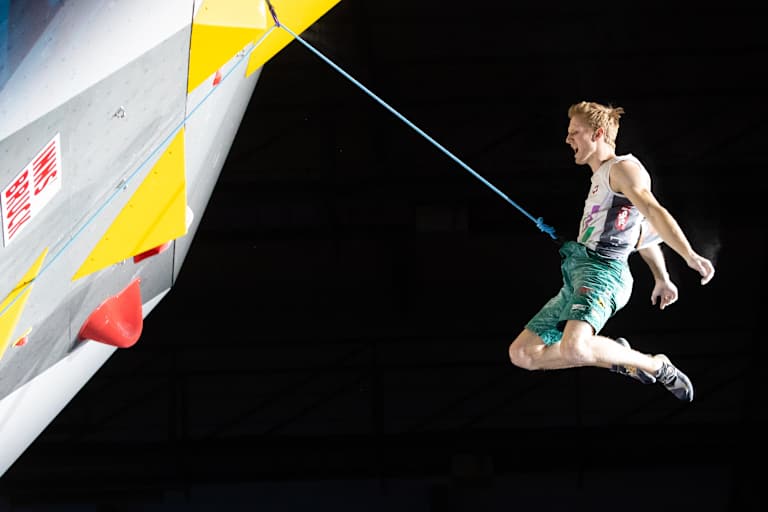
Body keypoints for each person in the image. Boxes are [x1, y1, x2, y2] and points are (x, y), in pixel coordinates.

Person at [507, 100, 715, 402]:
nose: (568, 140)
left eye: (575, 132)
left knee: (576, 347)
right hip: (576, 277)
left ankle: (654, 365)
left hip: (604, 274)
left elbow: (654, 211)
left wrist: (689, 254)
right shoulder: (601, 178)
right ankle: (618, 355)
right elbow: (643, 235)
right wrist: (662, 278)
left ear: (598, 133)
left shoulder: (623, 169)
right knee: (522, 354)